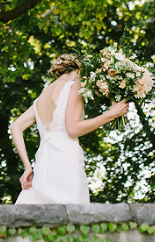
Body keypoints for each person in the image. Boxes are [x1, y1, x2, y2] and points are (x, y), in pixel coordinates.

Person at [10, 54, 130, 204]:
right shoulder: (75, 86)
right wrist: (110, 115)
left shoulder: (42, 96)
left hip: (43, 164)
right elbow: (72, 129)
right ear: (80, 69)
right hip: (65, 161)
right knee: (71, 216)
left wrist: (27, 167)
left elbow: (15, 127)